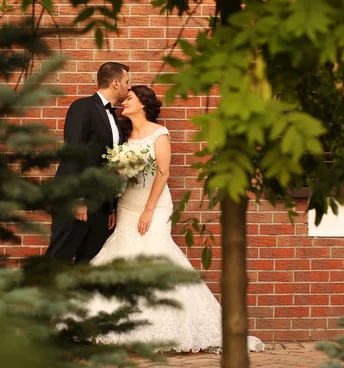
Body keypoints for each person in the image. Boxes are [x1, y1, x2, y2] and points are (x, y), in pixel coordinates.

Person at [86, 85, 265, 353]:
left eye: (130, 98)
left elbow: (163, 173)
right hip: (127, 204)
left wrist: (148, 209)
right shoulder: (124, 135)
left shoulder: (159, 134)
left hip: (154, 206)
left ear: (143, 104)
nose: (125, 102)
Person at [45, 62, 130, 263]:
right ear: (116, 83)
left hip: (101, 208)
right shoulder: (82, 107)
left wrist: (110, 207)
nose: (129, 87)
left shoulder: (115, 119)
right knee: (58, 259)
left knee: (88, 265)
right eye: (127, 82)